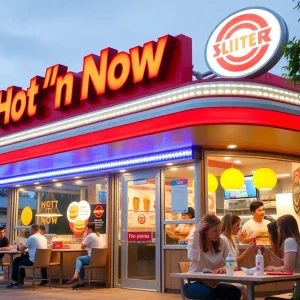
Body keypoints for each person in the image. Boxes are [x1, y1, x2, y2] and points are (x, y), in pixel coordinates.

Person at [184, 214, 241, 300]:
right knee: (208, 293)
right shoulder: (195, 240)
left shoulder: (222, 241)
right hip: (193, 283)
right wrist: (196, 233)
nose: (218, 234)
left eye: (219, 230)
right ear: (205, 231)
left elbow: (233, 261)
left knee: (234, 291)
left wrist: (226, 268)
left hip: (214, 283)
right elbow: (193, 258)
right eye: (215, 231)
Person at [263, 215, 300, 298]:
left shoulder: (289, 241)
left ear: (283, 228)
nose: (277, 230)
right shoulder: (294, 240)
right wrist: (269, 252)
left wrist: (272, 269)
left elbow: (288, 269)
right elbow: (284, 264)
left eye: (278, 227)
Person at [67, 222, 103, 289]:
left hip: (92, 259)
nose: (86, 230)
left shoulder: (90, 236)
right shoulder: (99, 235)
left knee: (79, 259)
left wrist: (84, 236)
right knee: (77, 265)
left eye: (86, 229)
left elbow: (82, 247)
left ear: (89, 229)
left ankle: (76, 276)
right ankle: (81, 282)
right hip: (100, 259)